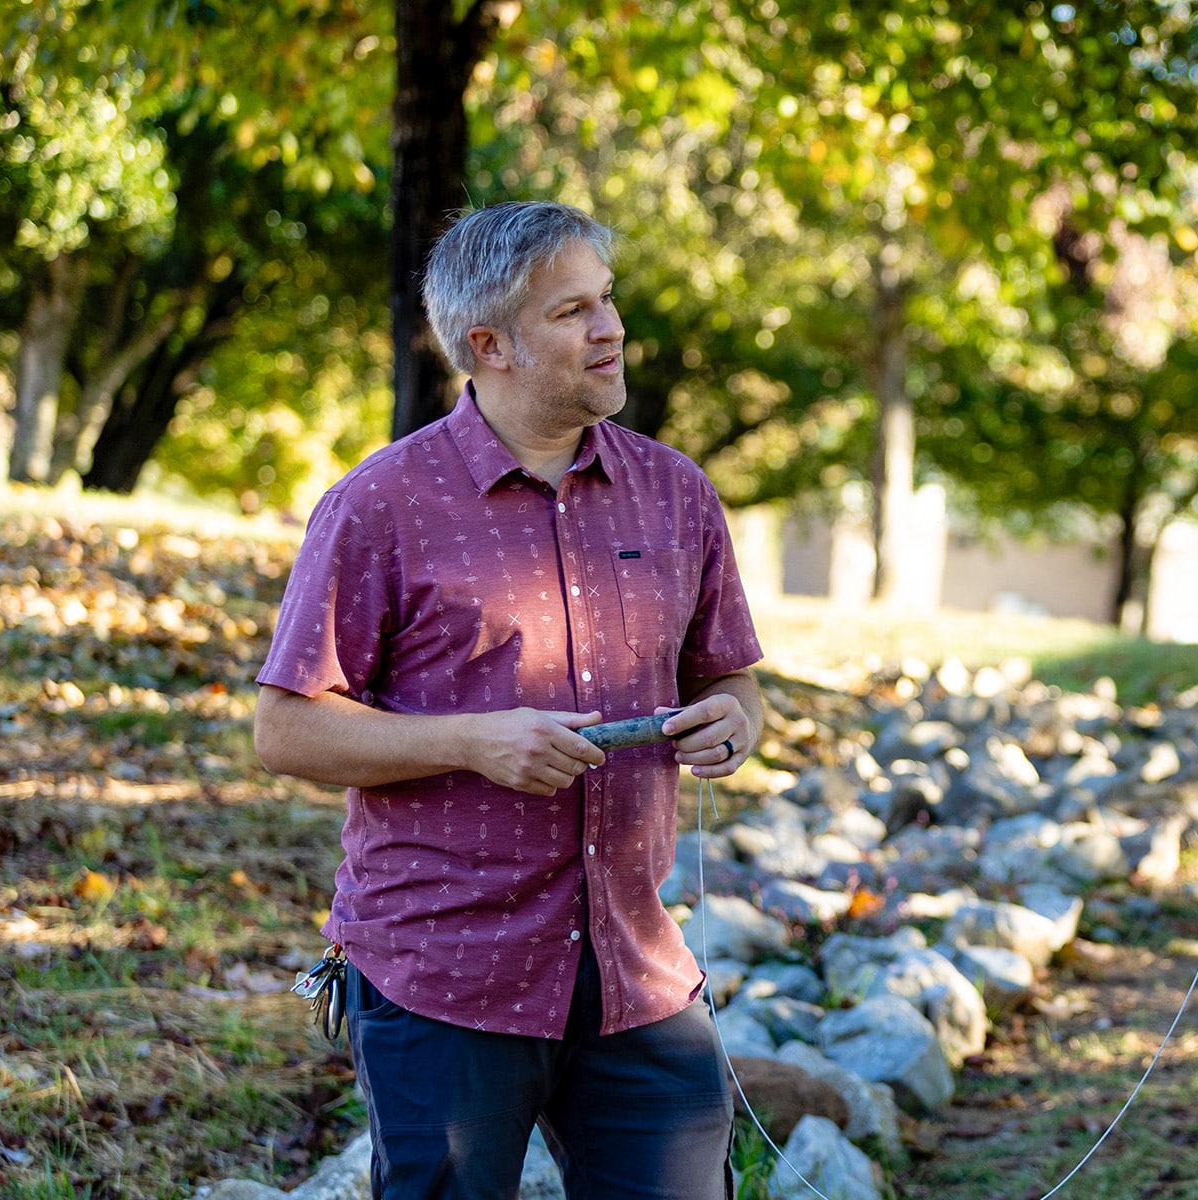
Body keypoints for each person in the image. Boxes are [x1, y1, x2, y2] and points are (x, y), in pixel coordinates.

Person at [254, 200, 762, 1200]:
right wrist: (475, 742)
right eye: (573, 312)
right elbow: (285, 728)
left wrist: (736, 719)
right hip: (444, 977)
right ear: (489, 345)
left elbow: (731, 677)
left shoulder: (677, 493)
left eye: (606, 299)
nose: (611, 329)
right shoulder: (380, 505)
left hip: (637, 974)